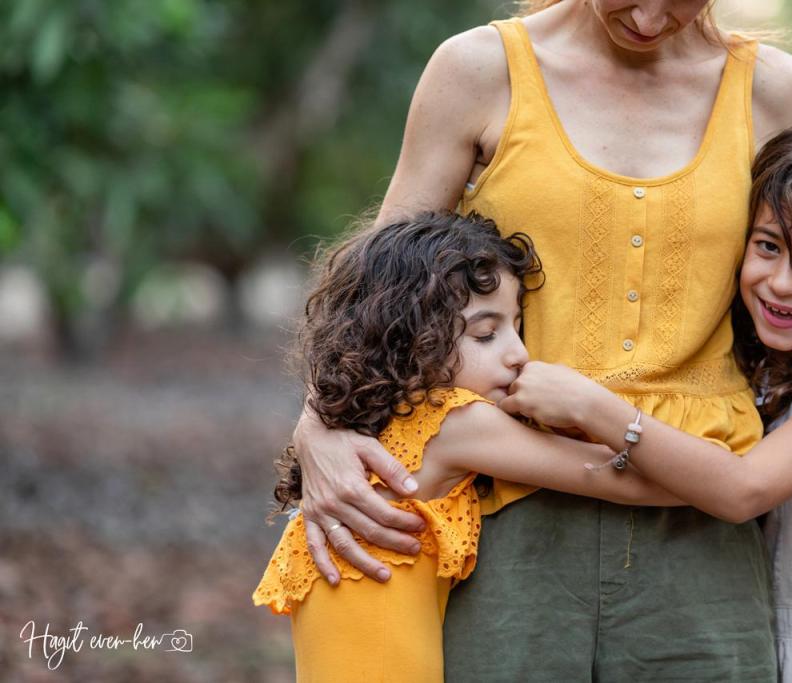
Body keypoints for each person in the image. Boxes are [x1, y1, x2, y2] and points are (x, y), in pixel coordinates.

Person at [290, 1, 792, 678]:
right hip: (506, 515)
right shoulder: (479, 71)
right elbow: (381, 290)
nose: (647, 16)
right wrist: (316, 427)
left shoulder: (771, 90)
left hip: (705, 525)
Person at [502, 124, 792, 681]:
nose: (782, 283)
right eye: (768, 247)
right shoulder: (772, 366)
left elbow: (745, 489)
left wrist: (592, 408)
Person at [253, 211, 688, 682]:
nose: (518, 352)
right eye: (486, 333)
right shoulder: (455, 420)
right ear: (411, 341)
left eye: (517, 327)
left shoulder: (375, 413)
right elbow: (619, 480)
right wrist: (706, 482)